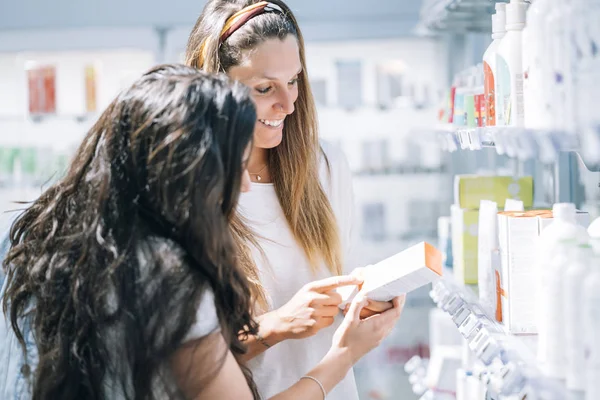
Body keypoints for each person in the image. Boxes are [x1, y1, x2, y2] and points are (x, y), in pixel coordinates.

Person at [0, 64, 402, 400]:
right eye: (236, 168)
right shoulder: (165, 274)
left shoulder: (37, 234)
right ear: (192, 169)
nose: (245, 185)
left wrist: (274, 326)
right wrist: (343, 356)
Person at [184, 1, 406, 399]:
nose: (288, 105)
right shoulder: (185, 191)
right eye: (265, 88)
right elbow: (186, 361)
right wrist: (274, 325)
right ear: (214, 89)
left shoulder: (325, 166)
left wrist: (365, 297)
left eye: (295, 80)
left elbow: (340, 284)